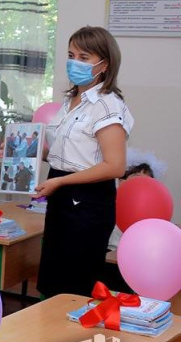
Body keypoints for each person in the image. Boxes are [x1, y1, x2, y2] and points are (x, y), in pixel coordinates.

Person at [37, 27, 132, 298]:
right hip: (62, 193)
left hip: (87, 201)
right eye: (71, 54)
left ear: (104, 64)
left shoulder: (106, 105)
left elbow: (115, 166)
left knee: (74, 284)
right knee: (52, 279)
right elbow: (68, 156)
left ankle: (71, 340)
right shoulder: (71, 101)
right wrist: (27, 151)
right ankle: (48, 337)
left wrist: (60, 181)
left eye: (84, 57)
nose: (74, 62)